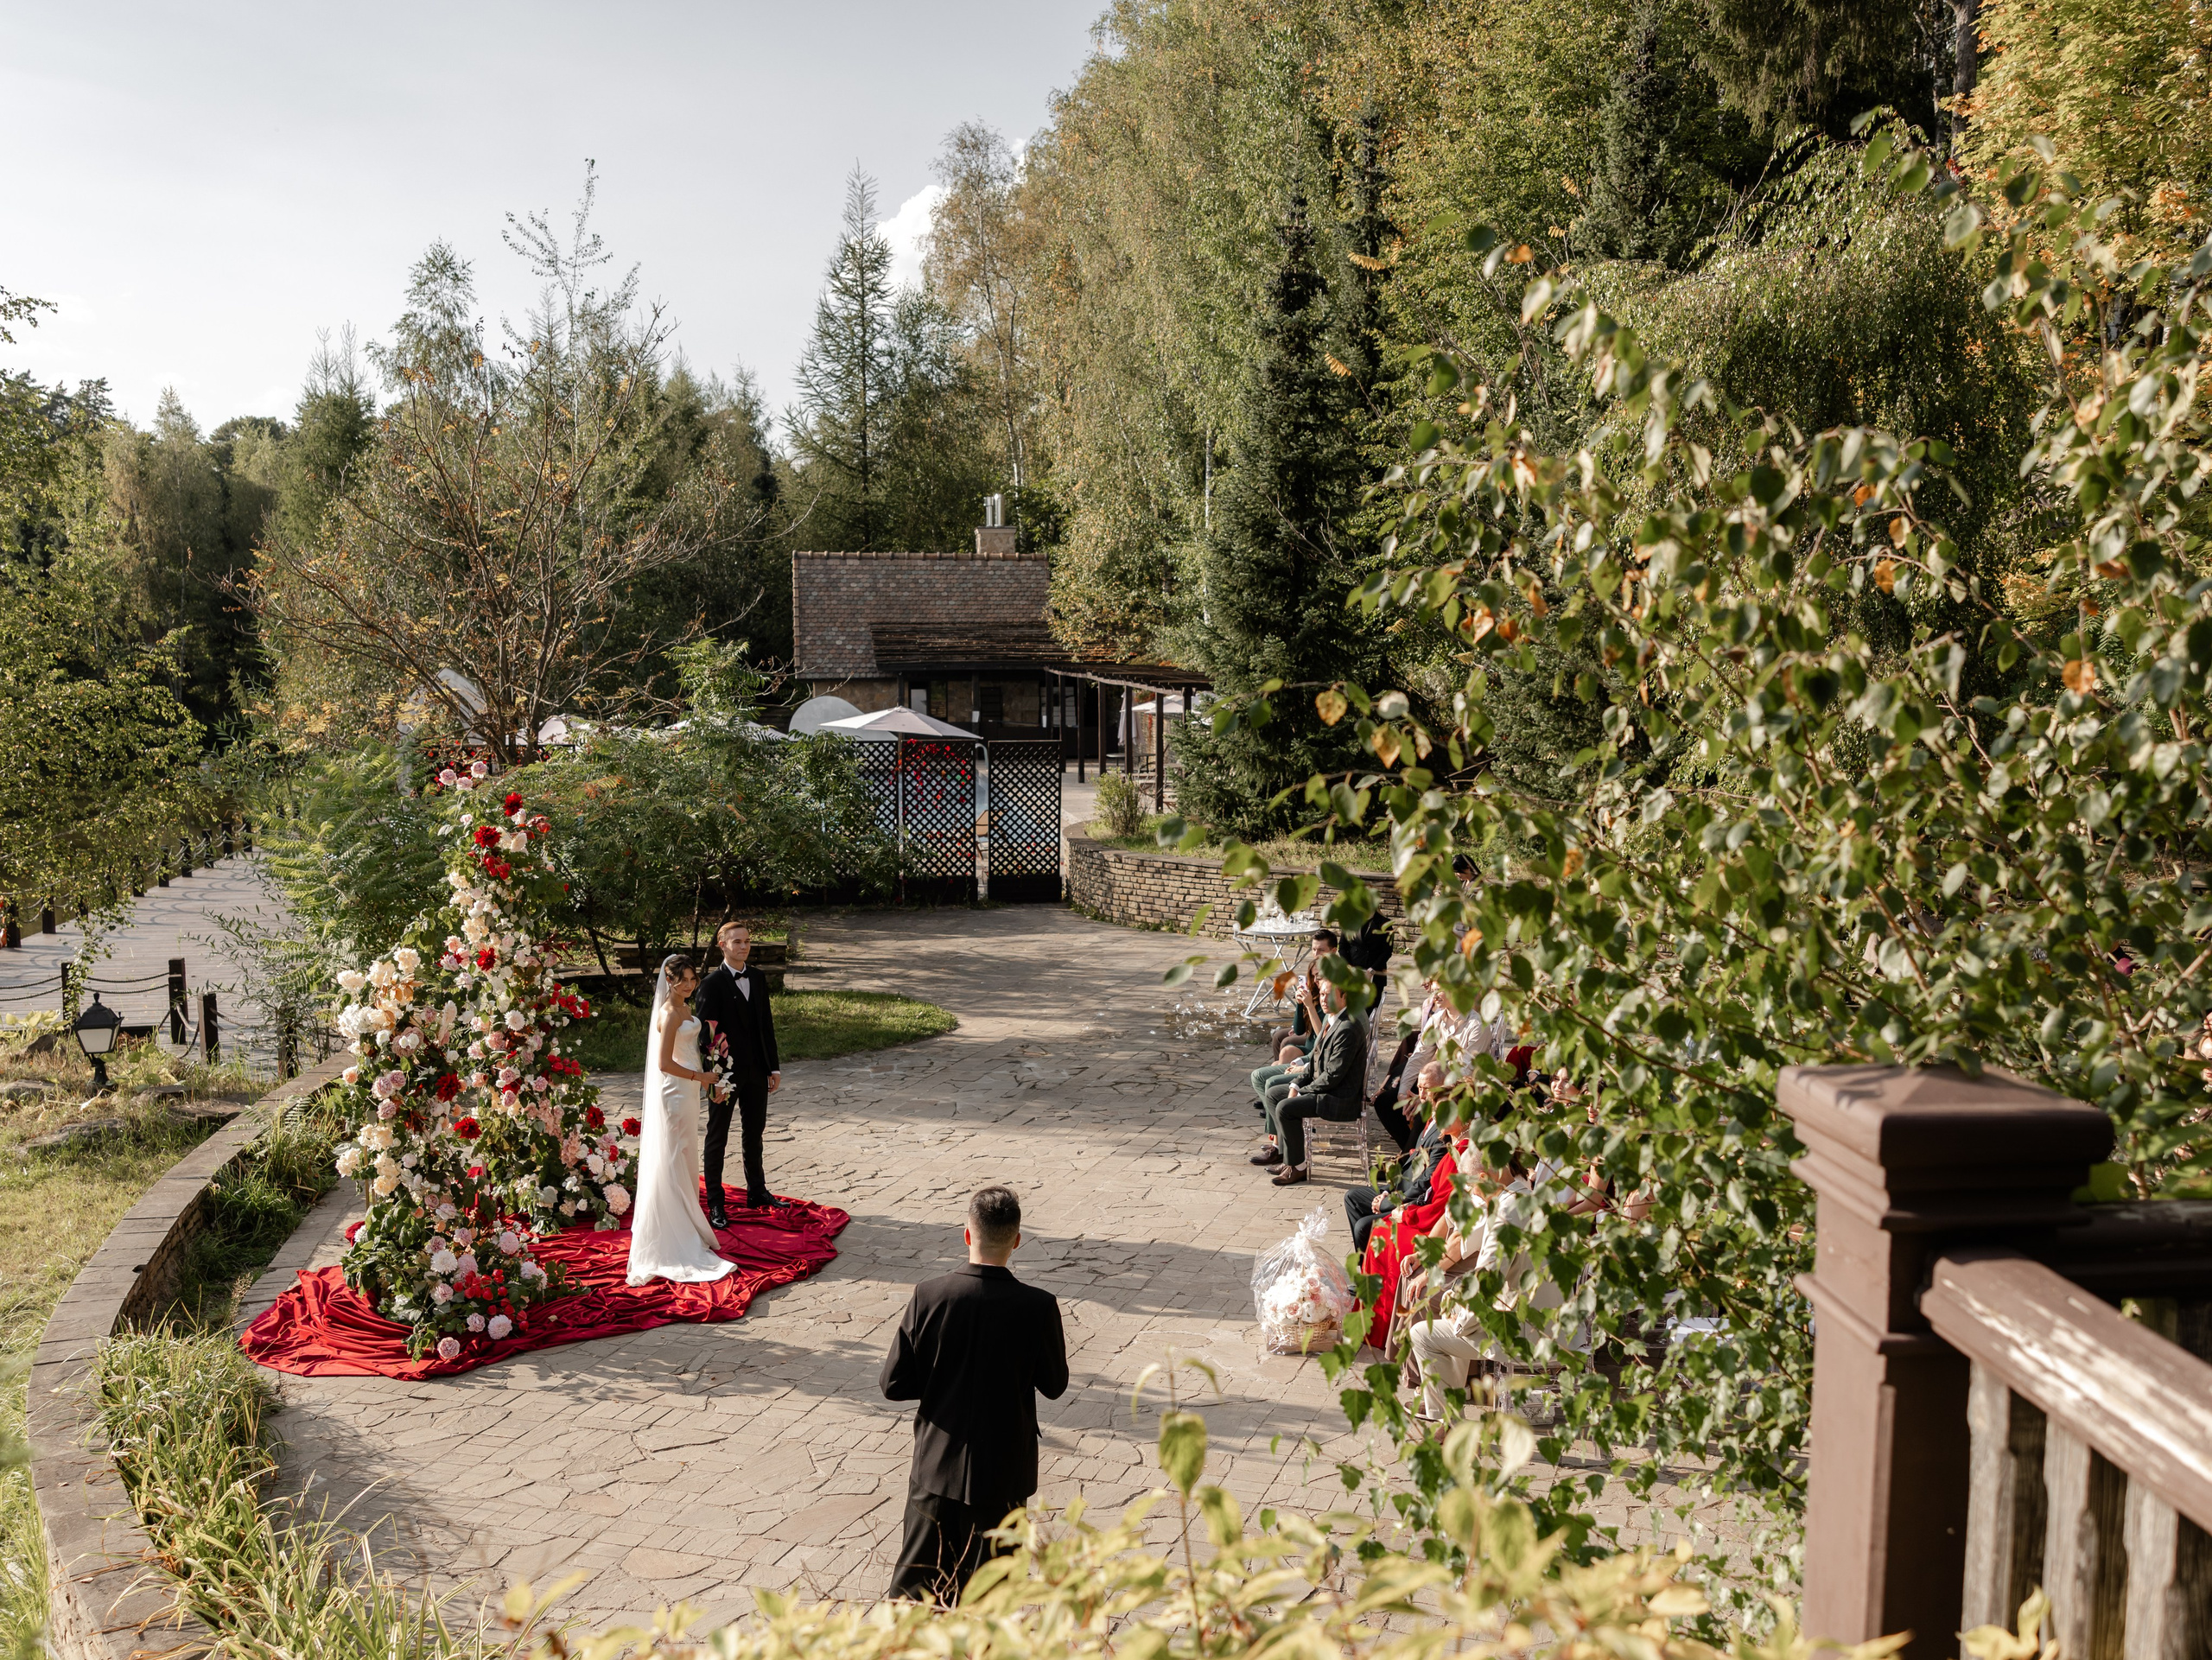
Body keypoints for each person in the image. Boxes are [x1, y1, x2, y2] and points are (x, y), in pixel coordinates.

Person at [880, 1186, 1069, 1604]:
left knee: (914, 1593)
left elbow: (893, 1385)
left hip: (935, 1468)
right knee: (996, 1597)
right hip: (1003, 1473)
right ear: (1017, 1241)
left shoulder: (929, 1295)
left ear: (967, 1235)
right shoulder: (1038, 1306)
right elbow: (1055, 1386)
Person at [625, 955, 737, 1288]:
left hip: (688, 1088)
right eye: (682, 980)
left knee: (686, 1154)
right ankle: (672, 1230)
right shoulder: (671, 1013)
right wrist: (699, 1075)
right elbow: (663, 1063)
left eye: (693, 978)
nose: (689, 985)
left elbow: (689, 1052)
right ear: (669, 981)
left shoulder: (687, 1009)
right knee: (675, 1153)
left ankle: (688, 1220)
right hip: (675, 1089)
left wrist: (707, 1081)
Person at [692, 919, 783, 1223]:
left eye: (746, 941)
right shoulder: (710, 984)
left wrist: (773, 1067)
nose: (743, 947)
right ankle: (715, 1203)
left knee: (754, 1132)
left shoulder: (757, 978)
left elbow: (765, 1026)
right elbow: (706, 1038)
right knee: (717, 1137)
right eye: (737, 942)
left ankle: (757, 1191)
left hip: (757, 1071)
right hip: (725, 1075)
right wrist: (713, 1079)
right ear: (723, 946)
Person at [1252, 981, 1369, 1186]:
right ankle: (1290, 1159)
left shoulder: (1348, 1027)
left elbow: (1333, 1075)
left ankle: (1298, 1168)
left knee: (1286, 1107)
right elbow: (1314, 1061)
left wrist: (1302, 1092)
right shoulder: (1331, 1020)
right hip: (1326, 1088)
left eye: (1330, 995)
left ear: (1344, 998)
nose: (1324, 999)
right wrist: (1295, 1086)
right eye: (1322, 995)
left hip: (1339, 1097)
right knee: (1273, 1094)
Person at [1343, 1063, 1447, 1250]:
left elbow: (1426, 1182)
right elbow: (1409, 1165)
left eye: (1428, 1090)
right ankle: (1367, 1264)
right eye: (1420, 1088)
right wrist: (1386, 1191)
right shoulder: (1427, 1116)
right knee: (1353, 1197)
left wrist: (1389, 1202)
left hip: (1413, 1201)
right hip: (1401, 1188)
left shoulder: (1443, 1131)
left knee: (1363, 1226)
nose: (1421, 1096)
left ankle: (1372, 1269)